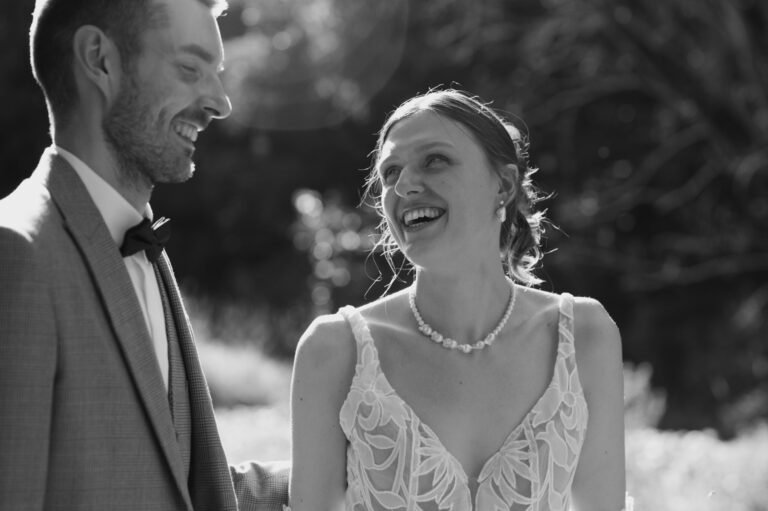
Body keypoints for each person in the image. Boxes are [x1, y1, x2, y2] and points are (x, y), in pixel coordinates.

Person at [0, 0, 287, 509]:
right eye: (190, 68)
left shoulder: (145, 249)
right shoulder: (15, 255)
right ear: (100, 59)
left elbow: (173, 483)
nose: (220, 102)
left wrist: (344, 466)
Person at [288, 89, 627, 511]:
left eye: (435, 160)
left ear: (503, 185)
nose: (405, 185)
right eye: (391, 172)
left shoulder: (583, 336)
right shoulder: (335, 350)